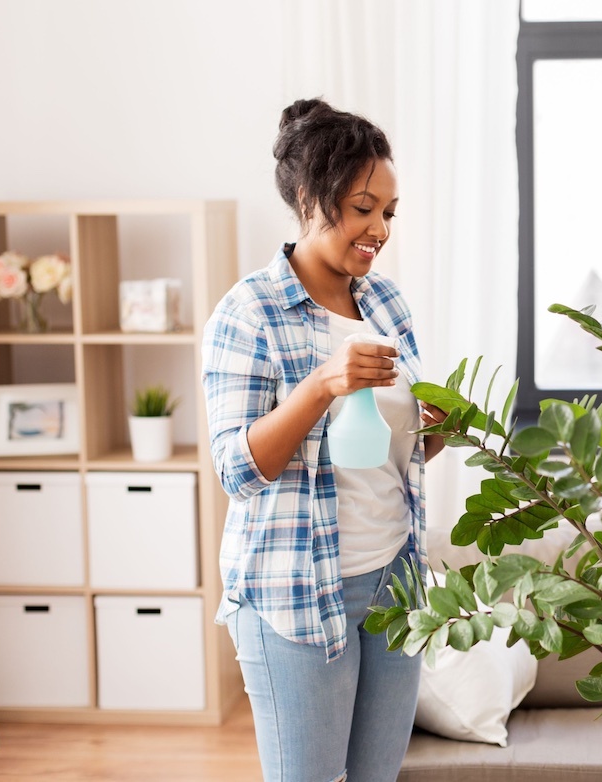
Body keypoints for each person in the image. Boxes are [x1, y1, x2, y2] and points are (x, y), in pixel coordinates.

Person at [201, 97, 446, 782]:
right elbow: (238, 471)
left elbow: (393, 459)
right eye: (364, 208)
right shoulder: (247, 314)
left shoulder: (387, 304)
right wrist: (320, 384)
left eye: (389, 213)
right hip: (295, 592)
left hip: (393, 579)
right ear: (311, 197)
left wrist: (438, 435)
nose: (379, 230)